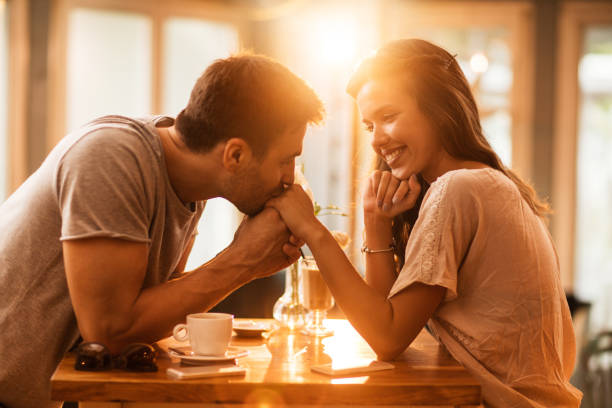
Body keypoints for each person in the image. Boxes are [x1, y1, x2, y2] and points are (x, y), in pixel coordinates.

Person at [267, 39, 583, 407]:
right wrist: (375, 221)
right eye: (369, 125)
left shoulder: (458, 189)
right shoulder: (482, 181)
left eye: (389, 116)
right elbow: (384, 320)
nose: (376, 139)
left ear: (438, 109)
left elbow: (386, 338)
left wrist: (311, 230)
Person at [0, 53, 323, 408]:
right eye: (286, 159)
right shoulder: (113, 158)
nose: (290, 178)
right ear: (235, 156)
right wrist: (243, 261)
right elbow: (110, 333)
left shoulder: (189, 187)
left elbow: (147, 317)